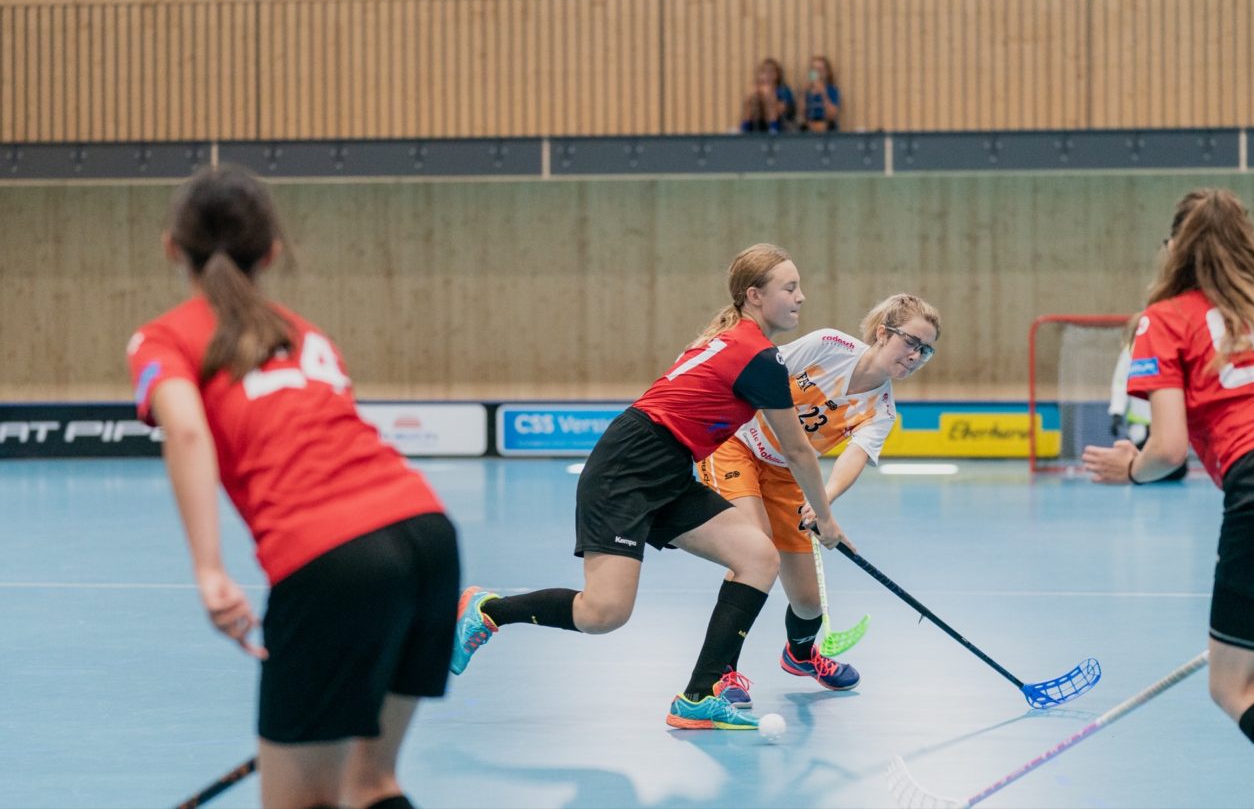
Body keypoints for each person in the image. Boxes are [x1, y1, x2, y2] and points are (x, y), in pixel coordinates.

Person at [127, 165, 459, 807]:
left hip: (331, 559)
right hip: (428, 536)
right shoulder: (305, 334)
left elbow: (188, 434)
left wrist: (209, 571)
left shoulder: (163, 337)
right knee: (372, 784)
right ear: (272, 251)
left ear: (171, 245)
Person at [451, 243, 850, 730]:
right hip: (627, 469)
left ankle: (699, 696)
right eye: (789, 288)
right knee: (603, 613)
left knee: (758, 556)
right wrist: (825, 519)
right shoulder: (757, 357)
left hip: (668, 469)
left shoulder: (731, 341)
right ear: (755, 296)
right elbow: (797, 451)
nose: (800, 297)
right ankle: (489, 608)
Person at [1083, 188, 1254, 767]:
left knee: (1237, 687)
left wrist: (1132, 469)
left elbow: (1167, 449)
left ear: (1176, 248)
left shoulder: (1165, 319)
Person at [697, 295, 940, 698]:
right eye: (911, 342)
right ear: (883, 332)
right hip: (735, 444)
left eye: (926, 351)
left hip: (787, 473)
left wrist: (821, 500)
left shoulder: (881, 409)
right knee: (754, 551)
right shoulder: (830, 346)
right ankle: (720, 673)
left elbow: (853, 458)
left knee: (808, 603)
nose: (915, 356)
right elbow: (761, 371)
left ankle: (800, 654)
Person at [1107, 316, 1187, 481]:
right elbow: (1120, 383)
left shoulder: (1169, 350)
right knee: (1146, 463)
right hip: (1140, 424)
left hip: (1166, 421)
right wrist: (1116, 411)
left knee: (1174, 466)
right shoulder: (1130, 352)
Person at [740, 58, 795, 133]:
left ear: (777, 74)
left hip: (779, 122)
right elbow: (748, 105)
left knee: (770, 99)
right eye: (764, 71)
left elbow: (784, 109)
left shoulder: (783, 89)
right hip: (758, 121)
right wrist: (756, 94)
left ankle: (773, 129)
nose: (768, 75)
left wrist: (769, 95)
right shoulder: (756, 88)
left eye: (771, 71)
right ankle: (744, 129)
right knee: (752, 100)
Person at [801, 55, 840, 132]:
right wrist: (803, 93)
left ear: (827, 72)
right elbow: (801, 113)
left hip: (827, 126)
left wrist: (823, 93)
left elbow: (832, 115)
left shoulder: (832, 90)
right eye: (814, 70)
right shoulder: (806, 90)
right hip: (809, 125)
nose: (818, 73)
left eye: (820, 70)